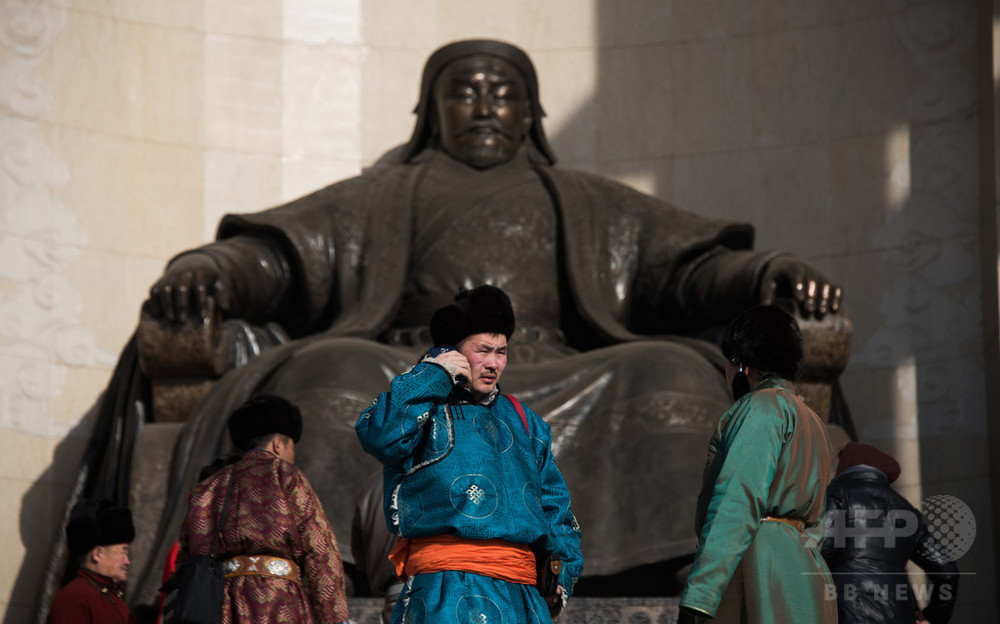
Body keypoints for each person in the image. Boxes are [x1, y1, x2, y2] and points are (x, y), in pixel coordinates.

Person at [69, 38, 848, 605]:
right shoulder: (383, 194)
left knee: (669, 370)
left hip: (556, 364)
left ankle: (672, 559)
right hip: (413, 358)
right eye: (464, 90)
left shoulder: (579, 195)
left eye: (501, 92)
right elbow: (277, 258)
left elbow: (684, 272)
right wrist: (204, 272)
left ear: (531, 111)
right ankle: (333, 562)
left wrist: (763, 272)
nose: (483, 105)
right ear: (431, 108)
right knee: (329, 369)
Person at [355, 285, 584, 624]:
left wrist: (559, 575)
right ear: (453, 352)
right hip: (445, 592)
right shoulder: (427, 409)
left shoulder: (527, 423)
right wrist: (433, 373)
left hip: (521, 598)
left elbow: (556, 508)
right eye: (483, 350)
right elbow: (379, 436)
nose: (494, 363)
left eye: (502, 352)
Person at [679, 305, 836, 623]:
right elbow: (818, 520)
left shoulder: (759, 409)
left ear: (742, 366)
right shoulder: (813, 421)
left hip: (758, 571)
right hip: (807, 573)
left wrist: (700, 597)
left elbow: (736, 501)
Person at [177, 393, 351, 623]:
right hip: (280, 602)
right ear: (278, 444)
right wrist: (334, 618)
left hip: (222, 607)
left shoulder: (207, 488)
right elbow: (320, 553)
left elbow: (186, 560)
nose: (292, 456)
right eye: (292, 449)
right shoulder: (287, 477)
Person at [822, 442, 960, 624]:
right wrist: (932, 617)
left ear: (845, 465)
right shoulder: (906, 510)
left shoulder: (836, 495)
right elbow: (947, 570)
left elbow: (821, 553)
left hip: (845, 614)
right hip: (899, 615)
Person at [46, 498, 137, 624]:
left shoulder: (111, 596)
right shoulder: (75, 597)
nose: (127, 561)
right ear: (97, 554)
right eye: (123, 551)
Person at [350, 471, 402, 624]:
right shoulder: (444, 472)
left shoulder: (374, 483)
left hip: (393, 594)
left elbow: (360, 558)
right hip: (437, 589)